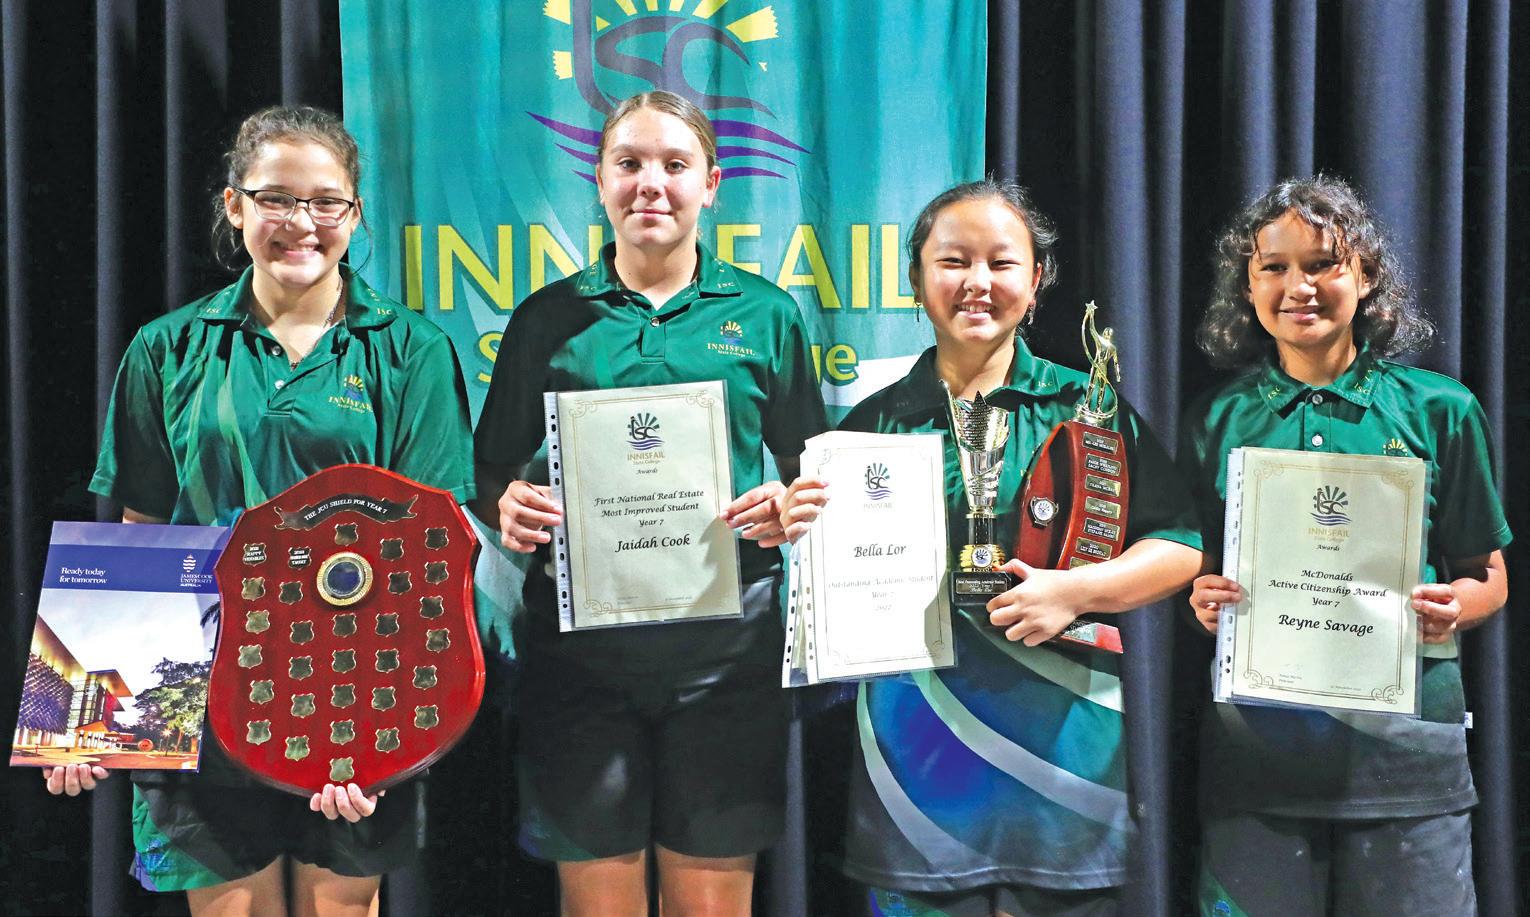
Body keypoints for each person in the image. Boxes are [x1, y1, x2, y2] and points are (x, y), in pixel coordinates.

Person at [46, 105, 475, 916]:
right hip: (199, 689)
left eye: (325, 201)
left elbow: (428, 554)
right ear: (235, 205)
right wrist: (88, 716)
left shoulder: (410, 350)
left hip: (351, 692)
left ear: (355, 213)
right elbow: (140, 536)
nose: (300, 223)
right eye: (276, 198)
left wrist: (390, 734)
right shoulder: (167, 347)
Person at [779, 179, 1203, 917]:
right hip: (917, 766)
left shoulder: (1091, 411)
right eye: (953, 261)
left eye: (1001, 262)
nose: (977, 281)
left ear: (1036, 281)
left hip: (1066, 757)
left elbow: (1181, 546)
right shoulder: (869, 426)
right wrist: (799, 525)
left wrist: (1076, 591)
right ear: (917, 279)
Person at [471, 90, 827, 915]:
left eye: (675, 165)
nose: (651, 184)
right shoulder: (547, 318)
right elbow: (488, 470)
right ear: (600, 180)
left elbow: (809, 471)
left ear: (712, 184)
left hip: (727, 657)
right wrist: (506, 503)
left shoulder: (767, 315)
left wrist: (788, 502)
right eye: (628, 163)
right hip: (581, 661)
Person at [1178, 175, 1510, 916]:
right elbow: (1198, 575)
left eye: (1324, 263)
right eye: (1274, 267)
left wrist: (1456, 607)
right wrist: (1203, 601)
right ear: (1249, 287)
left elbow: (1488, 575)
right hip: (1257, 767)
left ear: (1365, 277)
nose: (1299, 286)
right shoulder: (1216, 419)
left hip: (1408, 765)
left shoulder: (1442, 409)